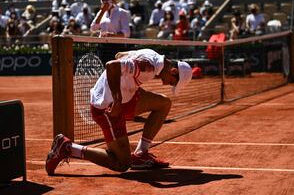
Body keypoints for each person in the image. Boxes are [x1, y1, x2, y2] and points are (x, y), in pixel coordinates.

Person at [45, 48, 193, 175]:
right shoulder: (148, 67)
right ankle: (67, 148)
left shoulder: (153, 55)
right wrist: (117, 99)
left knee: (164, 103)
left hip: (127, 98)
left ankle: (140, 154)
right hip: (107, 107)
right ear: (173, 71)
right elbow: (112, 65)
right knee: (122, 164)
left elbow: (119, 55)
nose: (166, 83)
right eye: (172, 82)